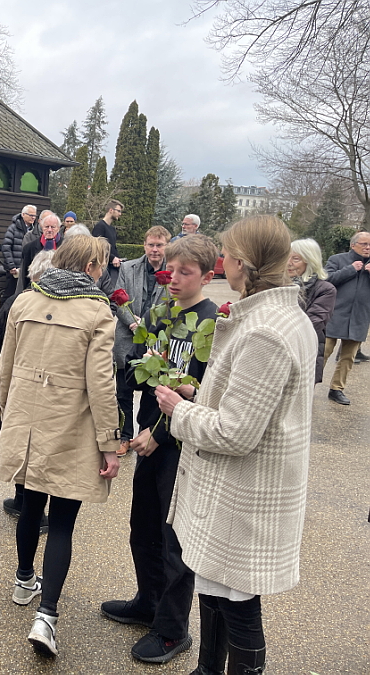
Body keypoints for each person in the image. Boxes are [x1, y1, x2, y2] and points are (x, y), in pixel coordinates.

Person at [154, 215, 315, 675]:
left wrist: (179, 410)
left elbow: (235, 432)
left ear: (241, 263)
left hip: (243, 493)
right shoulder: (281, 316)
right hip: (241, 488)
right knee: (215, 592)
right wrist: (197, 394)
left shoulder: (265, 330)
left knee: (239, 606)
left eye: (226, 254)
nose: (222, 260)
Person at [0, 235, 120, 658]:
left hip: (27, 421)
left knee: (31, 505)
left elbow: (5, 365)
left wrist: (6, 411)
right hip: (71, 425)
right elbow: (101, 383)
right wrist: (110, 442)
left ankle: (23, 579)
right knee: (62, 522)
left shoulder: (25, 301)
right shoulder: (97, 311)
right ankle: (46, 616)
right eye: (99, 266)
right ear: (90, 267)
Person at [101, 233, 218, 665]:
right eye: (171, 270)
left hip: (181, 447)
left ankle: (172, 629)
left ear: (207, 276)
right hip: (149, 436)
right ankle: (148, 602)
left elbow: (205, 395)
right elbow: (139, 375)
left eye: (186, 272)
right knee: (143, 526)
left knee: (174, 541)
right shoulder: (160, 313)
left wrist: (160, 433)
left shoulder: (212, 323)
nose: (175, 278)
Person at [0, 249, 57, 535]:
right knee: (31, 444)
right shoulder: (25, 304)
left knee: (20, 442)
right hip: (35, 387)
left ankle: (24, 501)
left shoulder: (14, 302)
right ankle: (27, 503)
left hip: (16, 387)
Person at [111, 226, 171, 456]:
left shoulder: (172, 272)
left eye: (159, 245)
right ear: (144, 245)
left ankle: (146, 434)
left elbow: (174, 303)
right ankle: (124, 436)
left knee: (153, 393)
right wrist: (133, 324)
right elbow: (117, 299)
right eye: (151, 245)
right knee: (123, 392)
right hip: (128, 336)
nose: (155, 249)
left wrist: (150, 325)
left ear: (166, 246)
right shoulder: (128, 268)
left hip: (157, 339)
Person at [322, 231, 370, 405]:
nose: (368, 247)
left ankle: (336, 389)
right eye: (364, 244)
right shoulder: (337, 259)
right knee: (323, 352)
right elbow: (326, 280)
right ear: (353, 245)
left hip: (359, 317)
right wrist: (351, 269)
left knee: (348, 357)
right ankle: (308, 384)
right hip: (334, 314)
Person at [289, 238, 337, 384]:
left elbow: (312, 324)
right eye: (286, 257)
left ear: (310, 261)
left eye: (295, 259)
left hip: (303, 353)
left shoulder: (325, 290)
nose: (288, 263)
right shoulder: (278, 285)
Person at [17, 213, 63, 293]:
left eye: (53, 227)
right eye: (46, 227)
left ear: (58, 228)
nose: (49, 230)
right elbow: (25, 275)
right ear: (42, 227)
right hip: (35, 290)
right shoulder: (29, 248)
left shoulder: (67, 247)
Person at [1, 205, 37, 300]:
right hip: (15, 268)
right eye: (31, 215)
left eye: (35, 215)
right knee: (9, 294)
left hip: (27, 267)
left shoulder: (35, 230)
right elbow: (6, 247)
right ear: (23, 214)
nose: (33, 217)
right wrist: (11, 265)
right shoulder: (13, 228)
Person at [92, 199, 123, 290]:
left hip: (112, 268)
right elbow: (97, 248)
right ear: (111, 210)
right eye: (118, 211)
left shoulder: (112, 229)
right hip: (102, 268)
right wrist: (112, 258)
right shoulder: (100, 227)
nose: (120, 214)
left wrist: (118, 259)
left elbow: (113, 248)